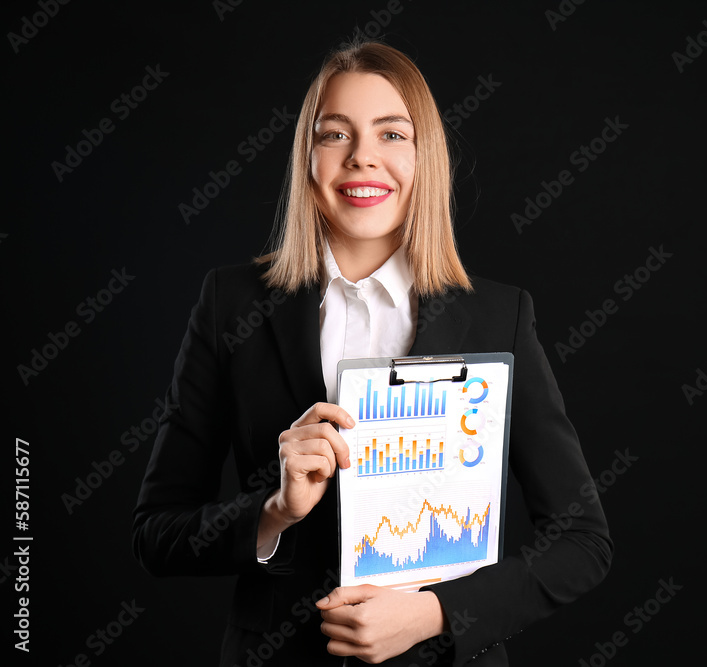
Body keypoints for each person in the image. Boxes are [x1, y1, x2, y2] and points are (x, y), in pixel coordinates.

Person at [132, 39, 612, 666]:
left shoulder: (500, 317)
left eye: (392, 135)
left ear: (425, 159)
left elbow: (582, 541)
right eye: (335, 135)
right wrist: (272, 512)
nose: (363, 158)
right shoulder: (232, 304)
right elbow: (156, 534)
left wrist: (436, 614)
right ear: (309, 158)